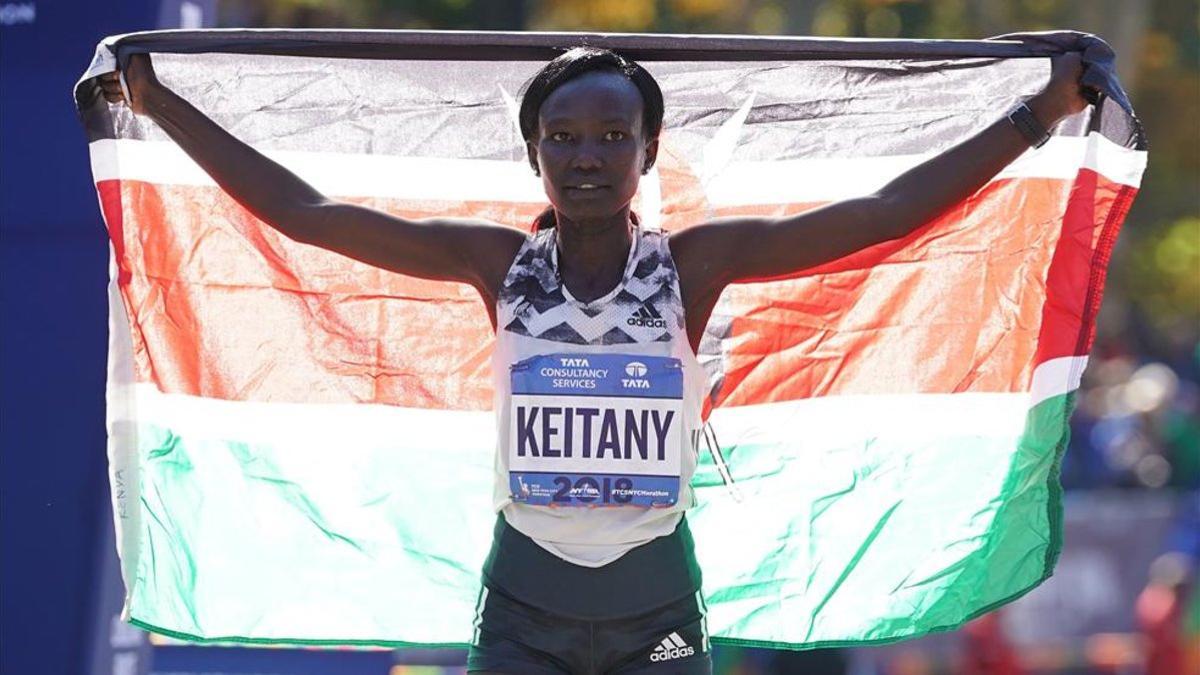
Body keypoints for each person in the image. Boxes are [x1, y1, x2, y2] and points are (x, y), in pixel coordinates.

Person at [101, 44, 1089, 674]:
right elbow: (308, 214)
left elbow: (878, 218)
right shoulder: (496, 264)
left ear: (647, 152)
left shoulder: (696, 266)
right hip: (526, 607)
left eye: (612, 136)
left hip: (654, 602)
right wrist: (159, 104)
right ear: (535, 154)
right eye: (564, 137)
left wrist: (1037, 116)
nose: (586, 156)